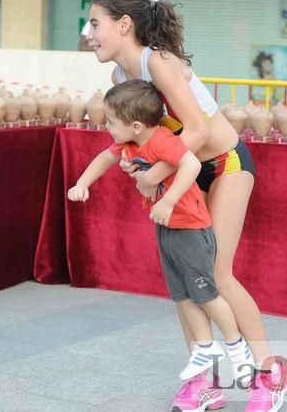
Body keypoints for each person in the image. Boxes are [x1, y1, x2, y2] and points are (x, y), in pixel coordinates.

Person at [86, 0, 287, 412]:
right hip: (182, 172)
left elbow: (195, 130)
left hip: (224, 164)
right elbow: (149, 140)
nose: (89, 33)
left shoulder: (155, 61)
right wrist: (136, 163)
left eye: (95, 23)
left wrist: (153, 175)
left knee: (216, 273)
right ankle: (205, 383)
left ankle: (271, 374)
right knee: (184, 276)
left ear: (123, 25)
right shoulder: (119, 79)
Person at [68, 80, 256, 409]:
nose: (106, 126)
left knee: (207, 293)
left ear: (135, 125)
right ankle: (204, 350)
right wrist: (83, 183)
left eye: (111, 121)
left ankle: (236, 346)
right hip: (168, 228)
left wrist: (168, 201)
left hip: (191, 228)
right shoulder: (130, 144)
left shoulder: (161, 141)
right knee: (182, 294)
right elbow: (104, 157)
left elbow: (192, 164)